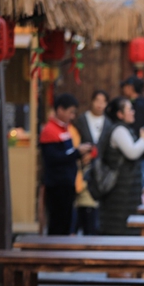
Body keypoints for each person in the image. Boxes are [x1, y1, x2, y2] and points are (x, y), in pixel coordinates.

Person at [98, 97, 144, 235]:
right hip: (119, 190)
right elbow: (132, 152)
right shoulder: (119, 130)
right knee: (119, 228)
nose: (133, 112)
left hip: (125, 190)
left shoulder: (122, 128)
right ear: (120, 114)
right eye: (129, 109)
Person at [40, 93, 92, 235]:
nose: (72, 116)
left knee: (67, 222)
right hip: (57, 183)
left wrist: (80, 155)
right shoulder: (50, 130)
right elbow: (53, 158)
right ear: (60, 110)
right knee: (58, 223)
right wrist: (76, 152)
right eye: (70, 112)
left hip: (68, 182)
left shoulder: (65, 129)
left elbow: (68, 153)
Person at [73, 90, 110, 235]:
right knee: (83, 204)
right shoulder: (81, 120)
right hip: (83, 168)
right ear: (92, 101)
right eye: (97, 100)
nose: (100, 104)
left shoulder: (108, 123)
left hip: (101, 171)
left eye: (103, 101)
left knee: (96, 208)